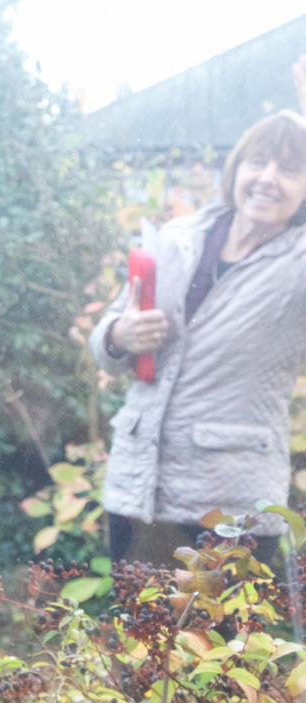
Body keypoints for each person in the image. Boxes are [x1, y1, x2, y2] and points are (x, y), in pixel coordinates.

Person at [90, 58, 306, 568]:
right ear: (236, 167)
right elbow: (107, 343)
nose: (268, 179)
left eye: (291, 169)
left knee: (222, 647)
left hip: (230, 505)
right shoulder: (179, 237)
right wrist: (120, 334)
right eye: (258, 162)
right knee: (135, 642)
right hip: (138, 488)